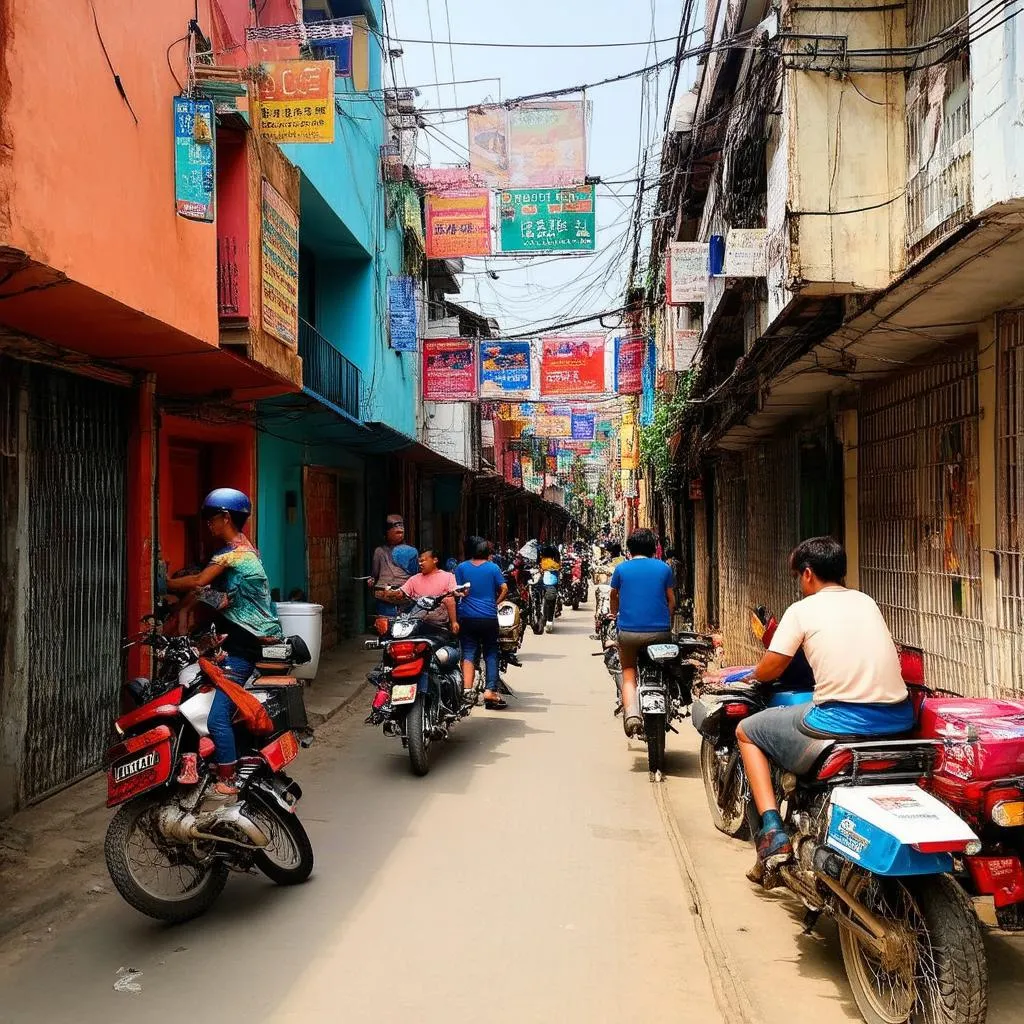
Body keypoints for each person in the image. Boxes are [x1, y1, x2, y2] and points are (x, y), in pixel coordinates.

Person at [737, 537, 913, 872]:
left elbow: (773, 666)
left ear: (807, 574)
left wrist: (750, 677)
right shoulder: (866, 602)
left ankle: (772, 830)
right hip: (899, 718)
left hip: (841, 721)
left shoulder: (802, 610)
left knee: (747, 731)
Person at [166, 488, 283, 796]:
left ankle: (228, 779)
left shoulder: (233, 554)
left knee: (217, 718)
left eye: (211, 518)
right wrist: (181, 611)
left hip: (241, 648)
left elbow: (198, 582)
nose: (208, 524)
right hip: (237, 642)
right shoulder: (248, 552)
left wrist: (162, 582)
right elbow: (222, 598)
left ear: (226, 518)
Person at [609, 528, 675, 738]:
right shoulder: (664, 568)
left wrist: (614, 614)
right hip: (660, 634)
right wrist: (667, 621)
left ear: (629, 549)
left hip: (628, 634)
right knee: (664, 668)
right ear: (653, 548)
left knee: (629, 671)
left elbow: (613, 596)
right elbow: (671, 601)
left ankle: (632, 715)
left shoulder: (621, 569)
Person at [455, 537, 508, 710]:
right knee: (491, 652)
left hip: (467, 617)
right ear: (487, 552)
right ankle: (490, 691)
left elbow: (457, 590)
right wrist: (495, 602)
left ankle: (467, 690)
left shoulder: (461, 568)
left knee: (469, 652)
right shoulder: (493, 568)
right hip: (488, 617)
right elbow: (504, 588)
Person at [378, 548, 459, 632]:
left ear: (435, 560)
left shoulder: (448, 577)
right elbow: (400, 593)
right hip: (414, 624)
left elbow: (450, 600)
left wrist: (454, 622)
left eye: (423, 561)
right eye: (419, 561)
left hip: (438, 624)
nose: (420, 564)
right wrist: (390, 593)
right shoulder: (414, 579)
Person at [368, 515, 419, 625]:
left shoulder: (411, 551)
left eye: (401, 525)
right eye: (394, 526)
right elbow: (375, 573)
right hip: (385, 595)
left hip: (405, 594)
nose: (399, 527)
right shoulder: (380, 551)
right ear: (386, 532)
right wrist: (372, 580)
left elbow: (415, 574)